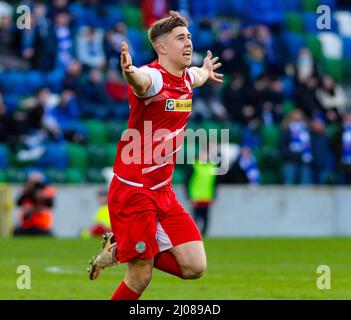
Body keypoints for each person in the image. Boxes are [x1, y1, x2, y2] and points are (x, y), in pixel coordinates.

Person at [87, 11, 223, 300]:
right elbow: (141, 82)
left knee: (195, 266)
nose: (188, 43)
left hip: (163, 191)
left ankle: (120, 248)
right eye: (180, 38)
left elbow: (197, 76)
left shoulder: (187, 78)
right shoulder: (154, 78)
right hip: (134, 191)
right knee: (141, 274)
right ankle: (127, 249)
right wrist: (129, 71)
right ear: (161, 48)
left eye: (188, 37)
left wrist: (205, 71)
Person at [184, 149, 218, 236]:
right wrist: (189, 196)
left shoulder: (212, 166)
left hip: (207, 196)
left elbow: (215, 183)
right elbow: (186, 182)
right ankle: (194, 234)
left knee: (206, 218)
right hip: (196, 197)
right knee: (195, 217)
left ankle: (204, 235)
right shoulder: (194, 166)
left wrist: (214, 195)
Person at [14, 171, 55, 236]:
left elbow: (50, 204)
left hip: (42, 226)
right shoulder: (26, 194)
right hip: (27, 226)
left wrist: (42, 197)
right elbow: (18, 203)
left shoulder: (46, 193)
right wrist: (25, 192)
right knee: (17, 232)